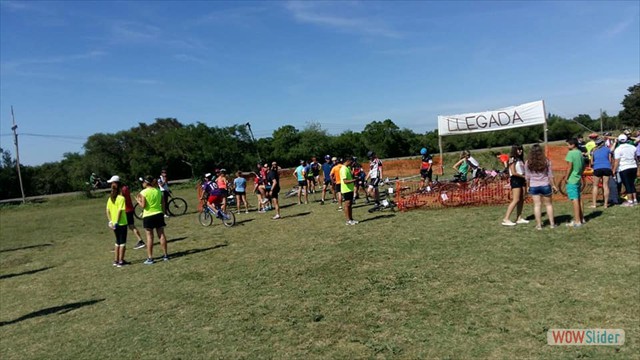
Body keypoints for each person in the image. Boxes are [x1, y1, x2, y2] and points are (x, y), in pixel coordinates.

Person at [136, 176, 168, 264]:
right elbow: (163, 202)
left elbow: (143, 206)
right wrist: (163, 212)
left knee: (149, 237)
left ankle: (150, 258)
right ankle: (165, 255)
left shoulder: (143, 192)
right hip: (158, 214)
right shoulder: (158, 190)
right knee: (161, 235)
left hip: (148, 216)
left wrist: (138, 201)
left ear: (146, 183)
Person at [107, 175, 145, 249]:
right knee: (131, 226)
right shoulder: (125, 188)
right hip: (128, 209)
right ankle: (139, 241)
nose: (111, 185)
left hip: (126, 210)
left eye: (112, 183)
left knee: (122, 227)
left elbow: (119, 199)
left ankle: (119, 243)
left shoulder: (122, 190)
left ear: (116, 183)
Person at [525, 144, 557, 230]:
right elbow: (550, 175)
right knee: (549, 205)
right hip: (545, 185)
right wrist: (553, 185)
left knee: (537, 205)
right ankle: (552, 224)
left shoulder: (528, 162)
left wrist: (528, 186)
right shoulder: (546, 161)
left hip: (534, 186)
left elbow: (527, 177)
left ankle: (539, 225)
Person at [502, 145, 529, 226]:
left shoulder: (520, 159)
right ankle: (506, 218)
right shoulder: (512, 159)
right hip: (515, 179)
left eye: (521, 149)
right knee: (516, 199)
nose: (520, 151)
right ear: (515, 150)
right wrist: (524, 176)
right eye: (518, 149)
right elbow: (513, 172)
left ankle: (519, 217)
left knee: (522, 198)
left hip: (522, 179)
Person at [563, 138, 586, 227]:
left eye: (568, 145)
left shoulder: (571, 153)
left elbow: (569, 166)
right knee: (579, 198)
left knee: (574, 199)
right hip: (578, 178)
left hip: (572, 179)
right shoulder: (580, 153)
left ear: (573, 145)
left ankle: (577, 221)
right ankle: (581, 218)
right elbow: (583, 165)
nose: (567, 147)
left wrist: (566, 177)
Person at [105, 181, 128, 267]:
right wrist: (117, 222)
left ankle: (116, 260)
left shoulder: (110, 198)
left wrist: (110, 221)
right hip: (121, 223)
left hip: (113, 224)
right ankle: (121, 261)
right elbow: (120, 211)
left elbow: (107, 210)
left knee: (117, 241)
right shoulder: (121, 198)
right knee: (122, 242)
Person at [613, 134, 638, 207]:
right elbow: (635, 158)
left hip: (624, 167)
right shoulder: (633, 147)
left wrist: (614, 170)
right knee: (632, 183)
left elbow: (617, 161)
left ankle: (630, 201)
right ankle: (635, 199)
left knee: (627, 184)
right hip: (633, 166)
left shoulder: (618, 149)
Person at [590, 138, 613, 208]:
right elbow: (610, 160)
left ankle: (594, 204)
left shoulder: (593, 150)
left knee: (595, 186)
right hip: (607, 167)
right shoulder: (607, 149)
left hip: (597, 167)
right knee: (605, 185)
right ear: (603, 143)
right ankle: (605, 204)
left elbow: (591, 162)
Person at [340, 157, 358, 225]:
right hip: (346, 189)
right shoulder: (343, 169)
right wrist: (354, 180)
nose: (351, 163)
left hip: (350, 189)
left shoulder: (347, 168)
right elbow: (345, 181)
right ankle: (348, 220)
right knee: (347, 205)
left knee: (350, 204)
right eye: (351, 161)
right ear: (348, 161)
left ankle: (351, 219)